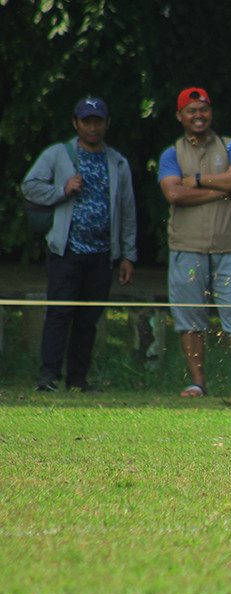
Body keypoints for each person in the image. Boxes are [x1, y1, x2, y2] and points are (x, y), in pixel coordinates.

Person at [158, 87, 231, 400]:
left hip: (229, 248)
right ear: (180, 116)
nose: (198, 116)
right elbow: (173, 193)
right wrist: (220, 188)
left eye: (203, 109)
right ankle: (198, 383)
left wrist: (195, 180)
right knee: (189, 318)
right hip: (186, 247)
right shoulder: (171, 154)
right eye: (191, 110)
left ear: (211, 113)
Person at [22, 97, 138, 392]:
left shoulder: (118, 162)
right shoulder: (58, 154)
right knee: (60, 313)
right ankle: (48, 376)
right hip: (66, 251)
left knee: (88, 318)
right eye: (87, 121)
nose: (93, 127)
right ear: (76, 123)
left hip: (102, 253)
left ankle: (78, 379)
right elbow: (30, 187)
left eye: (98, 121)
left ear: (107, 123)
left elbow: (127, 210)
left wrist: (128, 254)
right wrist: (62, 190)